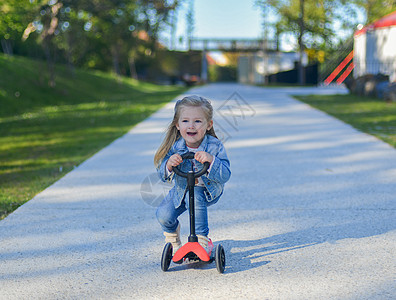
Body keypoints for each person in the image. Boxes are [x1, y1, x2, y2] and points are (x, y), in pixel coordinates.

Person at [154, 95, 231, 253]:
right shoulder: (175, 147)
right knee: (163, 214)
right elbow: (162, 175)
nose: (191, 126)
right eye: (185, 121)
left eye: (197, 121)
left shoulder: (214, 146)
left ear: (208, 125)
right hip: (181, 191)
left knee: (195, 195)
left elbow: (225, 175)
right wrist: (169, 165)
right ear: (177, 125)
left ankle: (201, 241)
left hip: (207, 191)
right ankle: (173, 241)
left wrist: (211, 161)